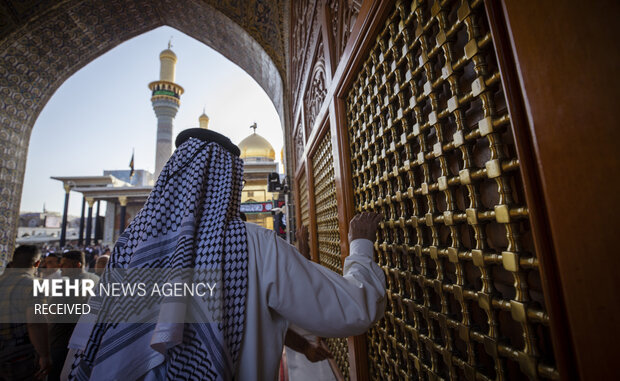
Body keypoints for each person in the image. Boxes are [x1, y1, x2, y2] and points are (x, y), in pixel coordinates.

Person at [64, 128, 386, 380]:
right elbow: (353, 309)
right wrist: (359, 244)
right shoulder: (253, 246)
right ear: (228, 183)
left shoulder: (130, 250)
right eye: (239, 181)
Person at [0, 245, 51, 380]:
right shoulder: (33, 285)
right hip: (20, 358)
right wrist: (45, 355)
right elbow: (35, 323)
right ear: (37, 263)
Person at [48, 251, 99, 381]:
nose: (60, 267)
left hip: (62, 342)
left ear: (77, 265)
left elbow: (51, 315)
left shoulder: (65, 285)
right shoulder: (96, 280)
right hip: (85, 343)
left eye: (64, 264)